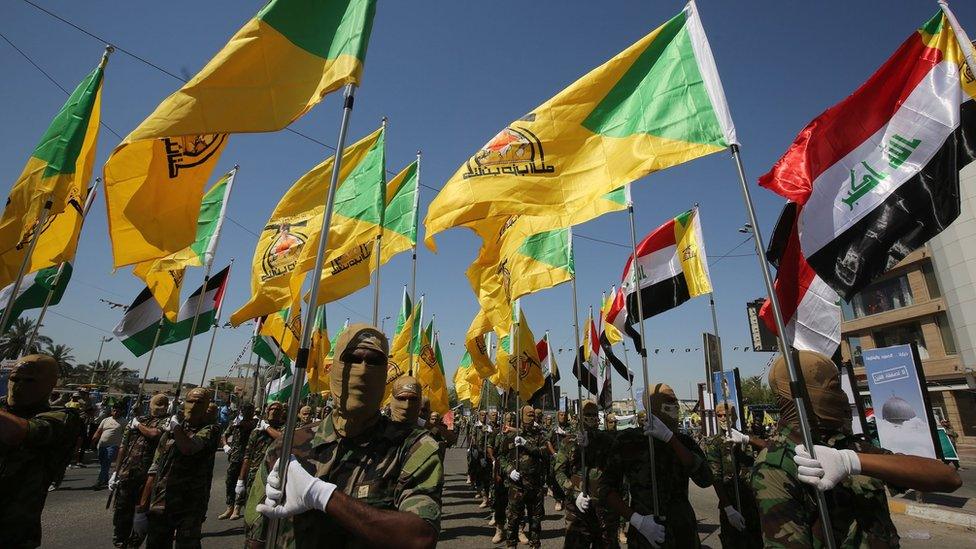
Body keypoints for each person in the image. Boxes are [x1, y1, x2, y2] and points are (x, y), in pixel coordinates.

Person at [249, 323, 443, 548]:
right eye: (352, 358)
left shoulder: (412, 447)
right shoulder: (288, 445)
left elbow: (420, 537)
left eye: (374, 361)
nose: (362, 370)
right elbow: (256, 533)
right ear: (335, 368)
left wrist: (321, 495)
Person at [753, 351, 961, 547]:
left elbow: (948, 478)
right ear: (805, 394)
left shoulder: (849, 445)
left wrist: (852, 461)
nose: (843, 396)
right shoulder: (777, 463)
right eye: (835, 387)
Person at [606, 384, 712, 548]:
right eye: (670, 401)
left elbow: (705, 479)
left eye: (676, 401)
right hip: (646, 536)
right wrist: (637, 520)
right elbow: (606, 489)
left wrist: (671, 439)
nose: (676, 406)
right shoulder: (629, 441)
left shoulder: (683, 441)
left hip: (683, 535)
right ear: (654, 406)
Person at [0, 354, 82, 549]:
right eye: (14, 379)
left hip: (11, 531)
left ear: (50, 384)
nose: (18, 385)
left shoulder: (63, 418)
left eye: (29, 380)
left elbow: (17, 432)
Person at [133, 388, 220, 548]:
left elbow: (188, 448)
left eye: (199, 402)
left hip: (190, 504)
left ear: (206, 406)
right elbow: (154, 469)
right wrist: (142, 507)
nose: (193, 406)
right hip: (161, 501)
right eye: (190, 401)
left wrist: (175, 427)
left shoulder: (210, 430)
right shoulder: (170, 431)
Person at [554, 400, 623, 548]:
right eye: (587, 414)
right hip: (578, 509)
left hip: (604, 509)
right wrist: (573, 492)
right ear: (580, 416)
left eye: (593, 414)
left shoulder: (608, 441)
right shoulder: (569, 442)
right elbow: (559, 472)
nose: (591, 418)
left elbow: (617, 470)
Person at [110, 394, 169, 548]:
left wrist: (138, 426)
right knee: (122, 508)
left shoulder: (167, 421)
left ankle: (135, 540)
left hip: (149, 474)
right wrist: (116, 471)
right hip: (128, 471)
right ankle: (120, 539)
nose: (160, 407)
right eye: (158, 404)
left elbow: (155, 434)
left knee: (143, 512)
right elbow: (124, 445)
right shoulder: (139, 419)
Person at [701, 401, 762, 549]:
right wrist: (728, 508)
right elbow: (715, 477)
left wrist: (746, 440)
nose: (723, 418)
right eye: (719, 415)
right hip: (731, 502)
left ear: (734, 416)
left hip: (752, 500)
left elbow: (768, 448)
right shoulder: (714, 443)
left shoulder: (746, 439)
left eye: (726, 414)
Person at [499, 405, 549, 548]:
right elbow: (502, 457)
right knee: (513, 519)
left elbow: (545, 453)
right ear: (521, 417)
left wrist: (527, 444)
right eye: (527, 415)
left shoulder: (540, 435)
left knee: (535, 520)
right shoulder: (510, 436)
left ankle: (535, 544)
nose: (530, 418)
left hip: (535, 484)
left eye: (532, 415)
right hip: (517, 485)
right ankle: (511, 545)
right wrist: (509, 471)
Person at [239, 402, 285, 546]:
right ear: (267, 410)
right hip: (255, 478)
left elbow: (283, 439)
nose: (274, 411)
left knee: (269, 521)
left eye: (278, 409)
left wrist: (267, 427)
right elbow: (248, 456)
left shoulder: (286, 429)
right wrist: (241, 479)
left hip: (275, 481)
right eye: (272, 409)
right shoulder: (257, 431)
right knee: (252, 516)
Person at [218, 402, 257, 521]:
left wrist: (238, 423)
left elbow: (248, 425)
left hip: (248, 458)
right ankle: (229, 506)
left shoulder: (255, 423)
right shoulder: (235, 423)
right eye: (244, 410)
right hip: (234, 457)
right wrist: (225, 446)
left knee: (242, 482)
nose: (245, 412)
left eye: (248, 410)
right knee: (230, 481)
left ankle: (237, 507)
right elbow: (224, 435)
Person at [488, 412, 515, 542]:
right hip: (500, 472)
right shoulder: (497, 433)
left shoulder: (516, 433)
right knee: (500, 502)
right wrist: (493, 460)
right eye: (507, 420)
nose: (509, 422)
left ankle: (518, 530)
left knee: (516, 503)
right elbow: (490, 447)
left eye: (511, 420)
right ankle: (499, 529)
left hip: (514, 472)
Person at [93, 403, 126, 489]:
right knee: (102, 463)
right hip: (102, 445)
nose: (115, 412)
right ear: (111, 411)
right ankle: (105, 479)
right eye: (114, 410)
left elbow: (126, 434)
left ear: (121, 412)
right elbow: (99, 431)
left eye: (117, 411)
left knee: (106, 462)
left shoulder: (123, 422)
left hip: (113, 446)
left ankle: (99, 482)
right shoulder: (106, 420)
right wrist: (94, 438)